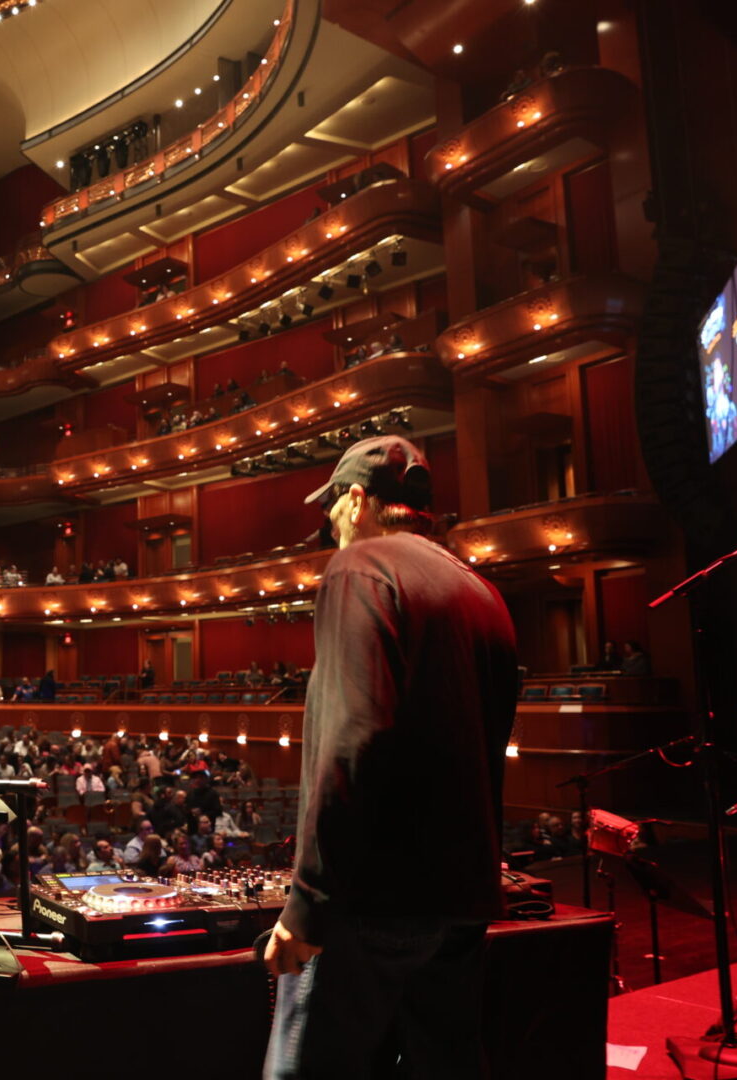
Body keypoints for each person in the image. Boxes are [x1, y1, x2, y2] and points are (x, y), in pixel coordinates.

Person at [264, 435, 518, 1080]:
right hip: (462, 899)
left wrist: (308, 904)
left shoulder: (361, 568)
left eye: (331, 512)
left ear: (357, 499)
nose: (329, 529)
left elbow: (355, 735)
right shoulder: (481, 592)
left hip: (372, 898)